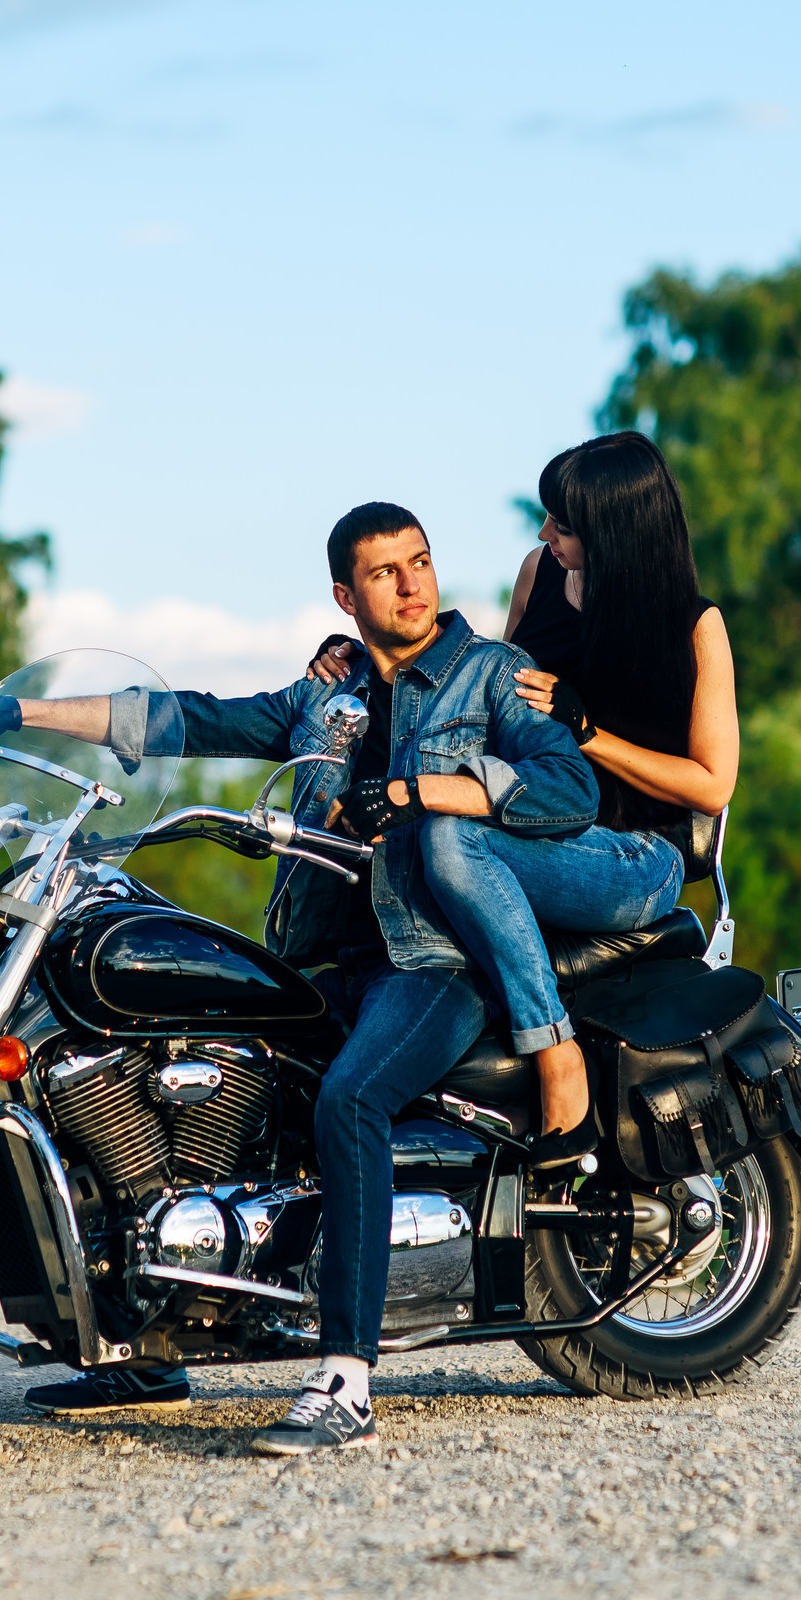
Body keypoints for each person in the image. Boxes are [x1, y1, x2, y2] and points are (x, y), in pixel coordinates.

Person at [0, 502, 598, 1454]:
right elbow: (181, 720)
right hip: (322, 964)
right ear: (344, 595)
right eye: (386, 572)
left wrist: (424, 792)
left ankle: (347, 1378)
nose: (411, 584)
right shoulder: (325, 695)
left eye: (421, 562)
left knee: (349, 1103)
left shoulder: (489, 678)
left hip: (430, 961)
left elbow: (568, 789)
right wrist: (17, 712)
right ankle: (142, 1340)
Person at [308, 433, 739, 1163]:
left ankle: (557, 1057)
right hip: (526, 834)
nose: (544, 534)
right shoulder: (539, 574)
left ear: (610, 530)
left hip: (634, 856)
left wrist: (589, 733)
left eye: (561, 524)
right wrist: (361, 651)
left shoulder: (695, 625)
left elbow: (711, 783)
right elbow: (477, 694)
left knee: (445, 836)